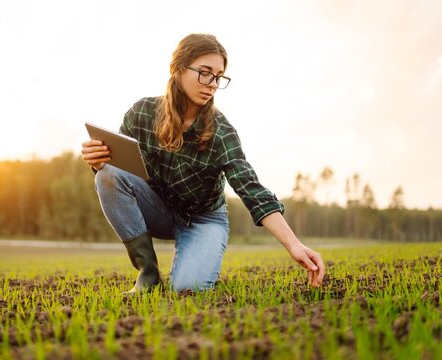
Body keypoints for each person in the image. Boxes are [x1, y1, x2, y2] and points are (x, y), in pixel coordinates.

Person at [81, 33, 325, 293]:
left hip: (203, 219)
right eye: (205, 72)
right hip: (160, 209)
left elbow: (251, 189)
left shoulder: (222, 132)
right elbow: (121, 173)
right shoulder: (141, 113)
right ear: (178, 68)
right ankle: (148, 275)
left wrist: (294, 245)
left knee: (188, 288)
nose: (212, 83)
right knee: (107, 173)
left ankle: (197, 257)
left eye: (218, 77)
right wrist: (99, 161)